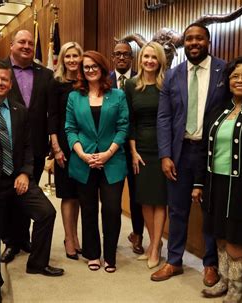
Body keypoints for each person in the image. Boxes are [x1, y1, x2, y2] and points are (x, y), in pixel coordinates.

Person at [152, 23, 242, 284]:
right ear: (185, 43)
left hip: (211, 153)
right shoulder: (173, 74)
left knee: (211, 211)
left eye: (200, 39)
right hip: (180, 151)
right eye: (190, 39)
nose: (194, 43)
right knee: (177, 209)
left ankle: (210, 265)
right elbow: (163, 116)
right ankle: (174, 261)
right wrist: (164, 154)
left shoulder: (224, 70)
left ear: (208, 41)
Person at [0, 61, 63, 302]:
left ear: (10, 84)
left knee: (46, 213)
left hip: (18, 179)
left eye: (4, 79)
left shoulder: (20, 110)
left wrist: (24, 173)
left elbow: (28, 146)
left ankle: (37, 263)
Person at [192, 56, 242, 302]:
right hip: (215, 184)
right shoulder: (219, 108)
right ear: (228, 81)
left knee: (237, 238)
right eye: (235, 76)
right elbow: (203, 148)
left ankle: (237, 288)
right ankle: (224, 281)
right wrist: (198, 183)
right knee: (219, 234)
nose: (240, 80)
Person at [0, 29, 54, 264]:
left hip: (32, 148)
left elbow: (51, 113)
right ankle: (11, 242)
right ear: (11, 44)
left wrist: (51, 144)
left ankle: (23, 238)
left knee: (25, 196)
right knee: (4, 202)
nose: (27, 46)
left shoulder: (46, 74)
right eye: (22, 42)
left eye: (30, 42)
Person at [65, 50, 129, 273]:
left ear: (102, 68)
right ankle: (92, 253)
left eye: (94, 66)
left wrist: (108, 153)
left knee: (111, 210)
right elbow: (70, 129)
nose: (90, 70)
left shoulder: (118, 95)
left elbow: (123, 127)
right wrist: (82, 154)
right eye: (86, 67)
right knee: (89, 209)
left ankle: (110, 256)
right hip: (83, 161)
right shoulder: (75, 97)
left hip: (112, 161)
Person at [124, 41, 168, 269]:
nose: (149, 61)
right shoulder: (131, 85)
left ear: (160, 60)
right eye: (146, 56)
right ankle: (154, 243)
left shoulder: (166, 84)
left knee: (159, 200)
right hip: (140, 149)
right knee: (143, 200)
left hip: (162, 149)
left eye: (154, 57)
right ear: (140, 59)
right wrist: (132, 151)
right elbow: (129, 120)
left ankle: (155, 245)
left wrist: (167, 153)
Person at [48, 42, 84, 260]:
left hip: (84, 144)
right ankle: (69, 238)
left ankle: (76, 236)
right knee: (68, 195)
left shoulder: (86, 83)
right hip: (63, 144)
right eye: (67, 56)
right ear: (62, 59)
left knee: (80, 194)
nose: (72, 60)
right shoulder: (57, 84)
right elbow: (52, 116)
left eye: (75, 56)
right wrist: (56, 148)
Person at [109, 40, 144, 255]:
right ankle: (110, 237)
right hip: (110, 148)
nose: (122, 58)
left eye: (126, 54)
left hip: (135, 147)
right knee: (111, 197)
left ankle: (138, 234)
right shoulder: (104, 80)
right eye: (118, 54)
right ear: (113, 57)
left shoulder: (142, 80)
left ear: (132, 58)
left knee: (137, 194)